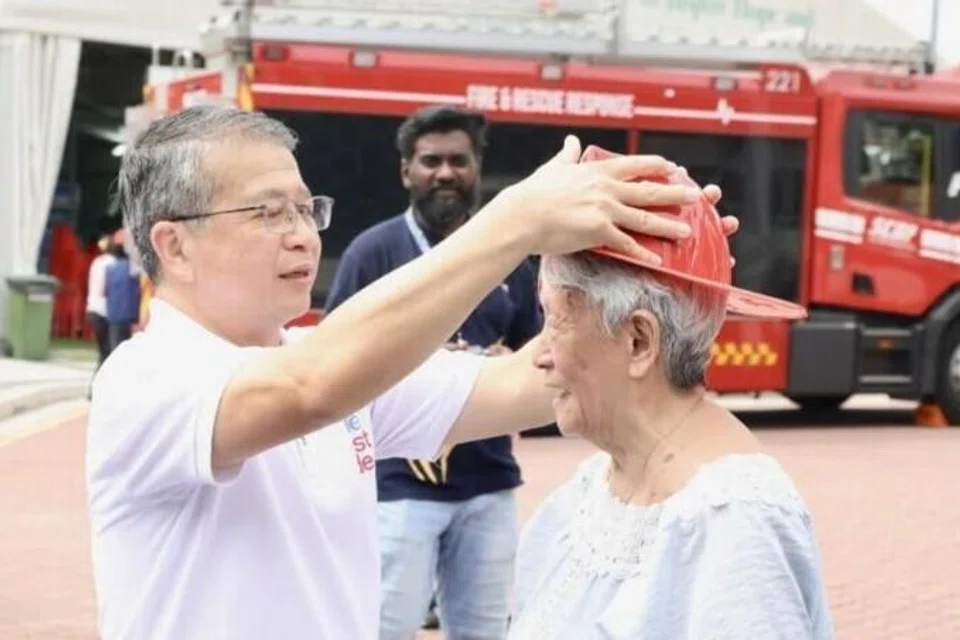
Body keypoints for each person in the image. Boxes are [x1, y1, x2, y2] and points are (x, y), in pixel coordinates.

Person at [85, 105, 736, 640]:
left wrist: (668, 287)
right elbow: (310, 389)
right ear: (175, 245)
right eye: (268, 213)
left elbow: (532, 381)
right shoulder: (144, 381)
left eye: (306, 209)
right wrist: (515, 222)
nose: (303, 235)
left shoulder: (330, 367)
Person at [507, 146, 833, 640]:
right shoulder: (591, 490)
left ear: (639, 341)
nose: (539, 355)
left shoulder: (734, 523)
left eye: (555, 320)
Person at [324, 105, 542, 640]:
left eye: (458, 161)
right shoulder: (372, 253)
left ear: (476, 168)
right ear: (407, 172)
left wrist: (506, 366)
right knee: (384, 630)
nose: (446, 173)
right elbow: (328, 360)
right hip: (398, 487)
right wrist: (418, 361)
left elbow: (539, 354)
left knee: (484, 633)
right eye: (431, 161)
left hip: (489, 484)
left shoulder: (509, 259)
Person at [103, 235, 141, 352]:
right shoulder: (134, 269)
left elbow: (105, 291)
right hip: (131, 315)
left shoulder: (110, 269)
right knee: (131, 349)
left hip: (114, 314)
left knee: (115, 349)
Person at [85, 234, 115, 367]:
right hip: (105, 310)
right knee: (108, 350)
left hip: (92, 307)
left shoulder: (96, 262)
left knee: (102, 350)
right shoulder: (112, 262)